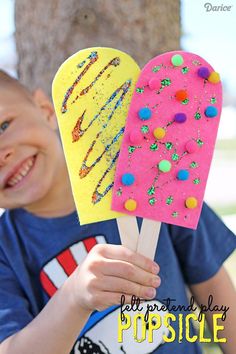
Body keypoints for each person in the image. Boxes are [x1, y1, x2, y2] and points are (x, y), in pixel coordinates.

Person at [0, 70, 235, 354]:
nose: (2, 155)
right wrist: (73, 298)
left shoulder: (153, 180)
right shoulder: (5, 251)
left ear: (46, 110)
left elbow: (214, 288)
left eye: (3, 126)